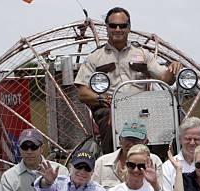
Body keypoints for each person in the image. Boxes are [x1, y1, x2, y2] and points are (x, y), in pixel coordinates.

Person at [74, 7, 183, 154]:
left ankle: (160, 162)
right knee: (110, 121)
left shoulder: (143, 54)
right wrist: (101, 99)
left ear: (129, 28)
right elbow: (82, 92)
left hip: (141, 107)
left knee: (169, 119)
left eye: (122, 26)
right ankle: (111, 162)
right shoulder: (95, 57)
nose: (117, 29)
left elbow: (165, 79)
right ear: (106, 28)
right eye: (113, 26)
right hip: (110, 107)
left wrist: (172, 69)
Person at [92, 119, 163, 190]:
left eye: (136, 140)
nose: (132, 144)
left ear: (146, 142)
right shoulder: (102, 162)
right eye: (128, 139)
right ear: (120, 140)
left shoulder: (154, 161)